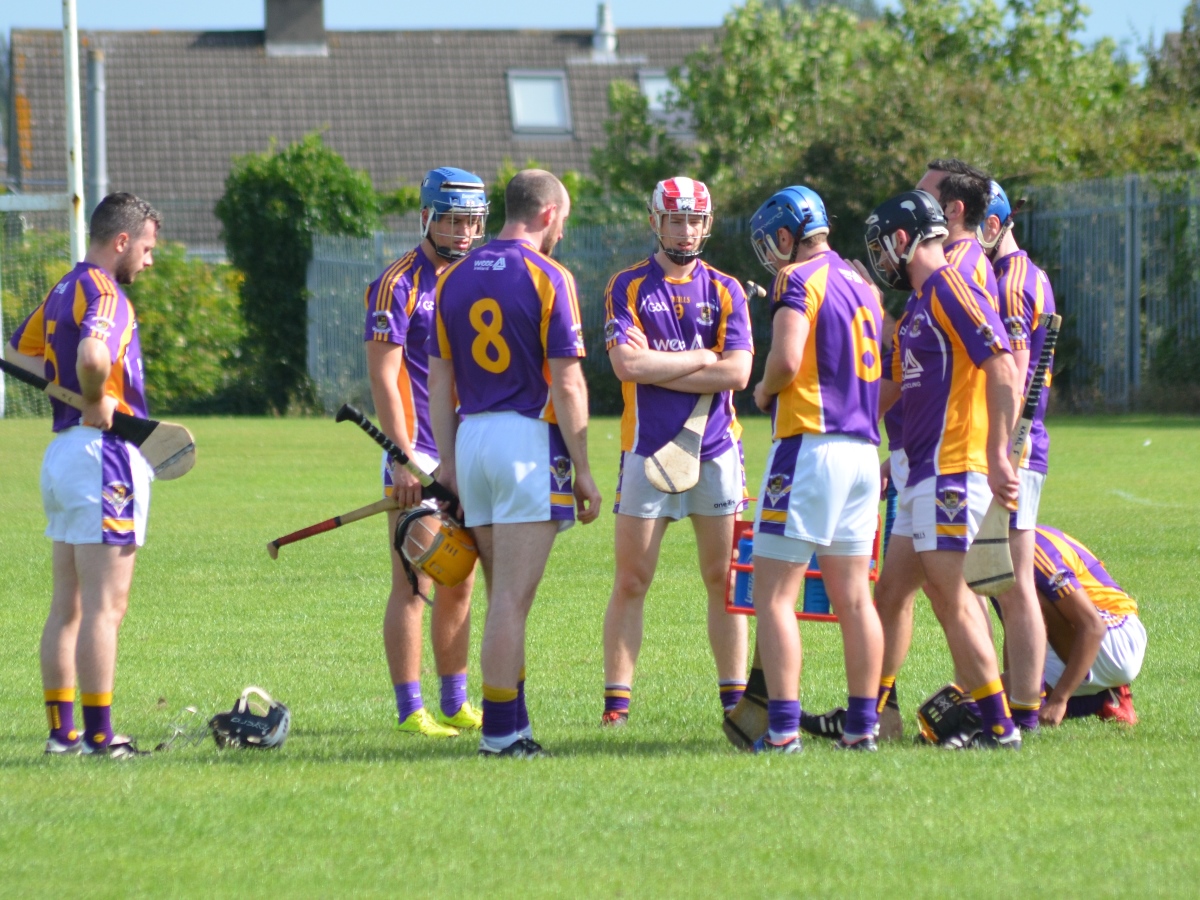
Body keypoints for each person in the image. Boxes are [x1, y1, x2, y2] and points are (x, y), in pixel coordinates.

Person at [427, 169, 601, 757]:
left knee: (503, 591)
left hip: (472, 438)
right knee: (510, 600)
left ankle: (517, 725)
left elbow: (440, 378)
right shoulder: (550, 276)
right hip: (526, 440)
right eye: (565, 219)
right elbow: (569, 381)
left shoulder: (452, 277)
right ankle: (501, 734)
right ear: (549, 214)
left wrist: (447, 463)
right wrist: (583, 467)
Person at [865, 190, 1024, 749]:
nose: (881, 259)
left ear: (904, 240)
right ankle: (875, 712)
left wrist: (1000, 451)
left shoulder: (951, 287)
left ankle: (998, 726)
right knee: (891, 595)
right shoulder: (915, 306)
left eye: (883, 247)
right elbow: (894, 388)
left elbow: (1003, 364)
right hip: (920, 473)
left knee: (954, 598)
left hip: (952, 469)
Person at [5, 193, 160, 757]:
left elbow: (20, 356)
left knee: (66, 604)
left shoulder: (63, 288)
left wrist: (69, 390)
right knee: (104, 606)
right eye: (145, 248)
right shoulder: (104, 291)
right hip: (105, 454)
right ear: (121, 241)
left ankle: (62, 733)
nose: (147, 261)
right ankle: (98, 737)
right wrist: (95, 395)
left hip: (64, 457)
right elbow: (94, 356)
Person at [600, 177, 752, 726]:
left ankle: (734, 704)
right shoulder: (627, 286)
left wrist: (669, 368)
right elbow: (627, 367)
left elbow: (737, 372)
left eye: (694, 220)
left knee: (725, 580)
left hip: (716, 451)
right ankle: (616, 708)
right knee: (632, 579)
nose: (684, 230)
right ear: (655, 222)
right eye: (674, 219)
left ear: (706, 223)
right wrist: (701, 358)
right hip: (644, 450)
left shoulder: (728, 289)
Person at [745, 185, 885, 752]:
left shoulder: (796, 279)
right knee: (854, 598)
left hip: (809, 446)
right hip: (862, 454)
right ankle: (862, 728)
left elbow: (785, 359)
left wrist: (761, 392)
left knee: (774, 595)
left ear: (786, 235)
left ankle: (782, 731)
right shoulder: (865, 286)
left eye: (772, 243)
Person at [363, 167, 487, 738]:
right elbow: (385, 379)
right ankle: (410, 710)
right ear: (427, 218)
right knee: (416, 583)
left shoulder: (480, 280)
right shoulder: (398, 282)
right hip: (417, 452)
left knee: (460, 577)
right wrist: (401, 456)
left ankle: (454, 701)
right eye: (453, 219)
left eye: (472, 220)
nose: (463, 232)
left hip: (471, 452)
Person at [978, 180, 1058, 731]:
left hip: (1014, 446)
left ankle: (1018, 707)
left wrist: (1004, 450)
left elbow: (1017, 371)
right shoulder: (1030, 273)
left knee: (1002, 580)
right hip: (1022, 447)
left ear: (991, 224)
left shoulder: (1009, 283)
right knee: (999, 579)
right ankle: (1014, 701)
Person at [1032, 525, 1144, 726]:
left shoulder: (1033, 547)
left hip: (1116, 633)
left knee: (1030, 597)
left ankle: (1094, 692)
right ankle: (1104, 699)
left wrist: (1059, 699)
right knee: (1003, 696)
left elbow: (1092, 626)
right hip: (1090, 633)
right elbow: (1018, 634)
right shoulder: (993, 551)